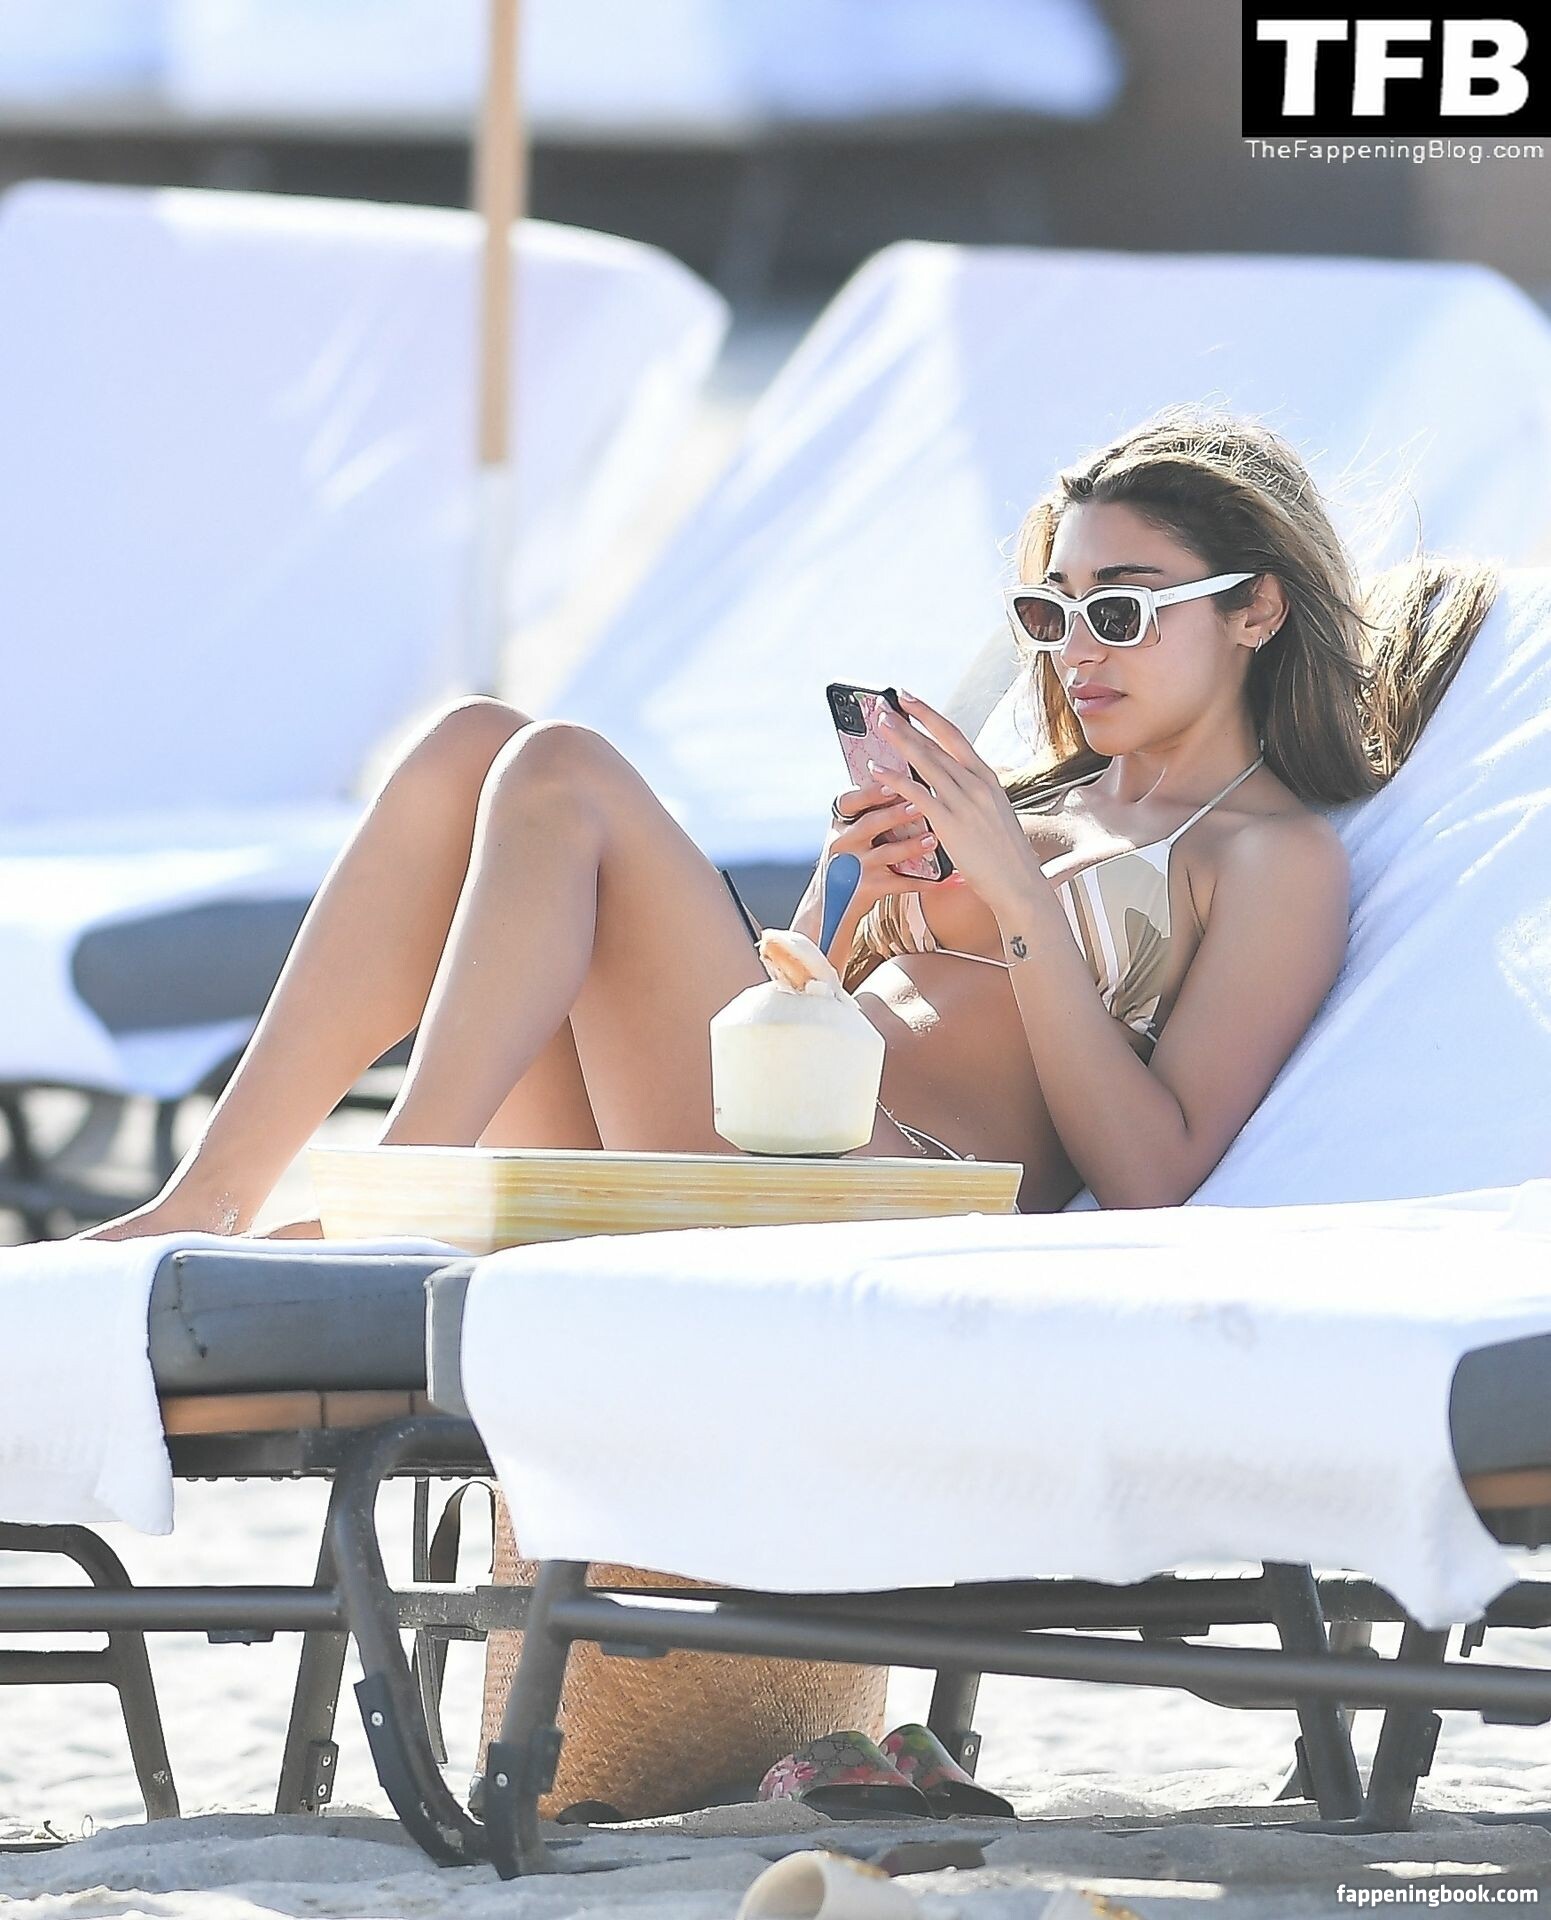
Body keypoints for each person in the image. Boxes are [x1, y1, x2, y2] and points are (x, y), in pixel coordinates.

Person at [81, 405, 1498, 1237]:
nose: (1076, 651)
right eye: (1051, 611)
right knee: (472, 749)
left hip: (888, 1194)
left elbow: (1154, 1182)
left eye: (1121, 613)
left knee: (562, 770)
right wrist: (842, 899)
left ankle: (398, 1205)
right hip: (762, 1128)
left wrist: (1017, 906)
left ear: (1256, 611)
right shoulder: (1035, 794)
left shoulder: (1270, 860)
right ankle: (207, 1201)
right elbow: (812, 999)